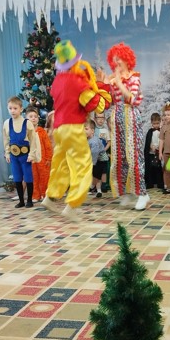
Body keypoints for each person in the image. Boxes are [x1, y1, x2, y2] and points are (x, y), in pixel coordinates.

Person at [41, 41, 111, 221]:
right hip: (73, 128)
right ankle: (72, 206)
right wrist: (102, 85)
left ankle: (50, 197)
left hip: (59, 129)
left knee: (61, 164)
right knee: (83, 166)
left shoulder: (57, 81)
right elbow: (97, 105)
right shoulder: (78, 83)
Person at [101, 42, 149, 211]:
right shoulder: (112, 80)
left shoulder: (134, 78)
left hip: (131, 117)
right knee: (119, 157)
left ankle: (142, 193)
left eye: (119, 59)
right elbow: (108, 102)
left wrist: (119, 82)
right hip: (117, 118)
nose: (116, 63)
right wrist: (104, 84)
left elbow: (132, 99)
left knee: (134, 156)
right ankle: (127, 192)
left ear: (127, 60)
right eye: (114, 60)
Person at [3, 96, 38, 208]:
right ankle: (21, 201)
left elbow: (33, 140)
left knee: (28, 177)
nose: (12, 111)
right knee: (17, 178)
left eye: (15, 108)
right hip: (14, 156)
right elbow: (6, 140)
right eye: (10, 108)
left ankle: (29, 200)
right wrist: (7, 153)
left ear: (21, 109)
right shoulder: (7, 123)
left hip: (25, 156)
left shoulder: (27, 123)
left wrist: (31, 154)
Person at [25, 106, 52, 202]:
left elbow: (48, 146)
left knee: (44, 177)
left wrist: (48, 158)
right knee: (34, 178)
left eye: (35, 116)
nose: (33, 118)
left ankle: (45, 194)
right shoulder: (25, 132)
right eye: (31, 116)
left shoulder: (42, 132)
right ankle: (35, 195)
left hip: (42, 159)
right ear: (26, 119)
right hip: (31, 160)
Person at [85, 119, 105, 197]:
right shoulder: (87, 139)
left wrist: (92, 163)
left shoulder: (94, 141)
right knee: (95, 175)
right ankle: (94, 188)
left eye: (86, 129)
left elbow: (95, 153)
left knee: (96, 175)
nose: (84, 131)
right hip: (94, 160)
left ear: (92, 131)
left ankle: (94, 188)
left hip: (100, 160)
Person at [144, 112, 164, 190]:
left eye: (157, 123)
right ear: (151, 123)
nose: (156, 125)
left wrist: (160, 147)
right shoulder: (150, 131)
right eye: (154, 124)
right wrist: (150, 146)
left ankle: (160, 183)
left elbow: (163, 140)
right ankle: (150, 183)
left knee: (158, 168)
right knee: (150, 168)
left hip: (158, 152)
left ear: (160, 122)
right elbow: (148, 141)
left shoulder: (161, 131)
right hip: (151, 153)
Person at [94, 111, 111, 192]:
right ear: (95, 119)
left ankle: (104, 185)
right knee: (95, 170)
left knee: (104, 170)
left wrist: (104, 150)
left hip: (103, 153)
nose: (101, 120)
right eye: (98, 117)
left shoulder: (106, 130)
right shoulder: (93, 130)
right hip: (95, 154)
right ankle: (95, 186)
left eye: (102, 118)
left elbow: (109, 142)